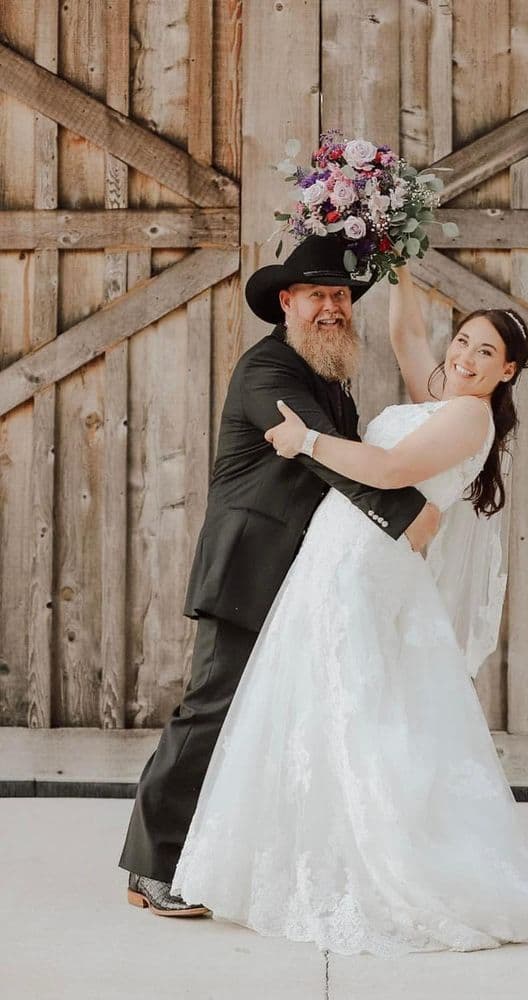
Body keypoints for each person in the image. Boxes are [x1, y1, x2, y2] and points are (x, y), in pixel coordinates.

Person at [170, 263, 528, 955]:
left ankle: (381, 860)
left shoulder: (467, 413)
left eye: (484, 352)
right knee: (320, 708)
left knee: (356, 710)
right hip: (336, 555)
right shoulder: (440, 393)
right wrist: (402, 259)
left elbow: (391, 472)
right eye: (461, 341)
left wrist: (305, 440)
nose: (463, 356)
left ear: (509, 372)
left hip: (363, 565)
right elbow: (407, 336)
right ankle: (318, 846)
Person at [120, 235, 441, 916]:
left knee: (275, 721)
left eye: (342, 296)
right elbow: (327, 459)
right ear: (286, 303)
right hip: (249, 567)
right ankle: (151, 868)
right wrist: (409, 515)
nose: (333, 308)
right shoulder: (268, 371)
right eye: (318, 296)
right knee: (210, 711)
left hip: (303, 576)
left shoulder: (326, 378)